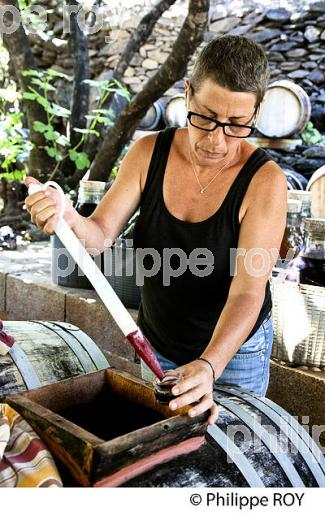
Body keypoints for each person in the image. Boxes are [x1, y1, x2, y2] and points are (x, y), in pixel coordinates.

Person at [25, 35, 287, 426]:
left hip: (233, 354)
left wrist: (208, 366)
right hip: (158, 344)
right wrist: (66, 215)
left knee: (228, 457)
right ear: (187, 93)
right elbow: (98, 235)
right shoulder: (149, 153)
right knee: (164, 451)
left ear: (255, 114)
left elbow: (248, 292)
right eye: (206, 117)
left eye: (236, 125)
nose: (217, 140)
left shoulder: (264, 182)